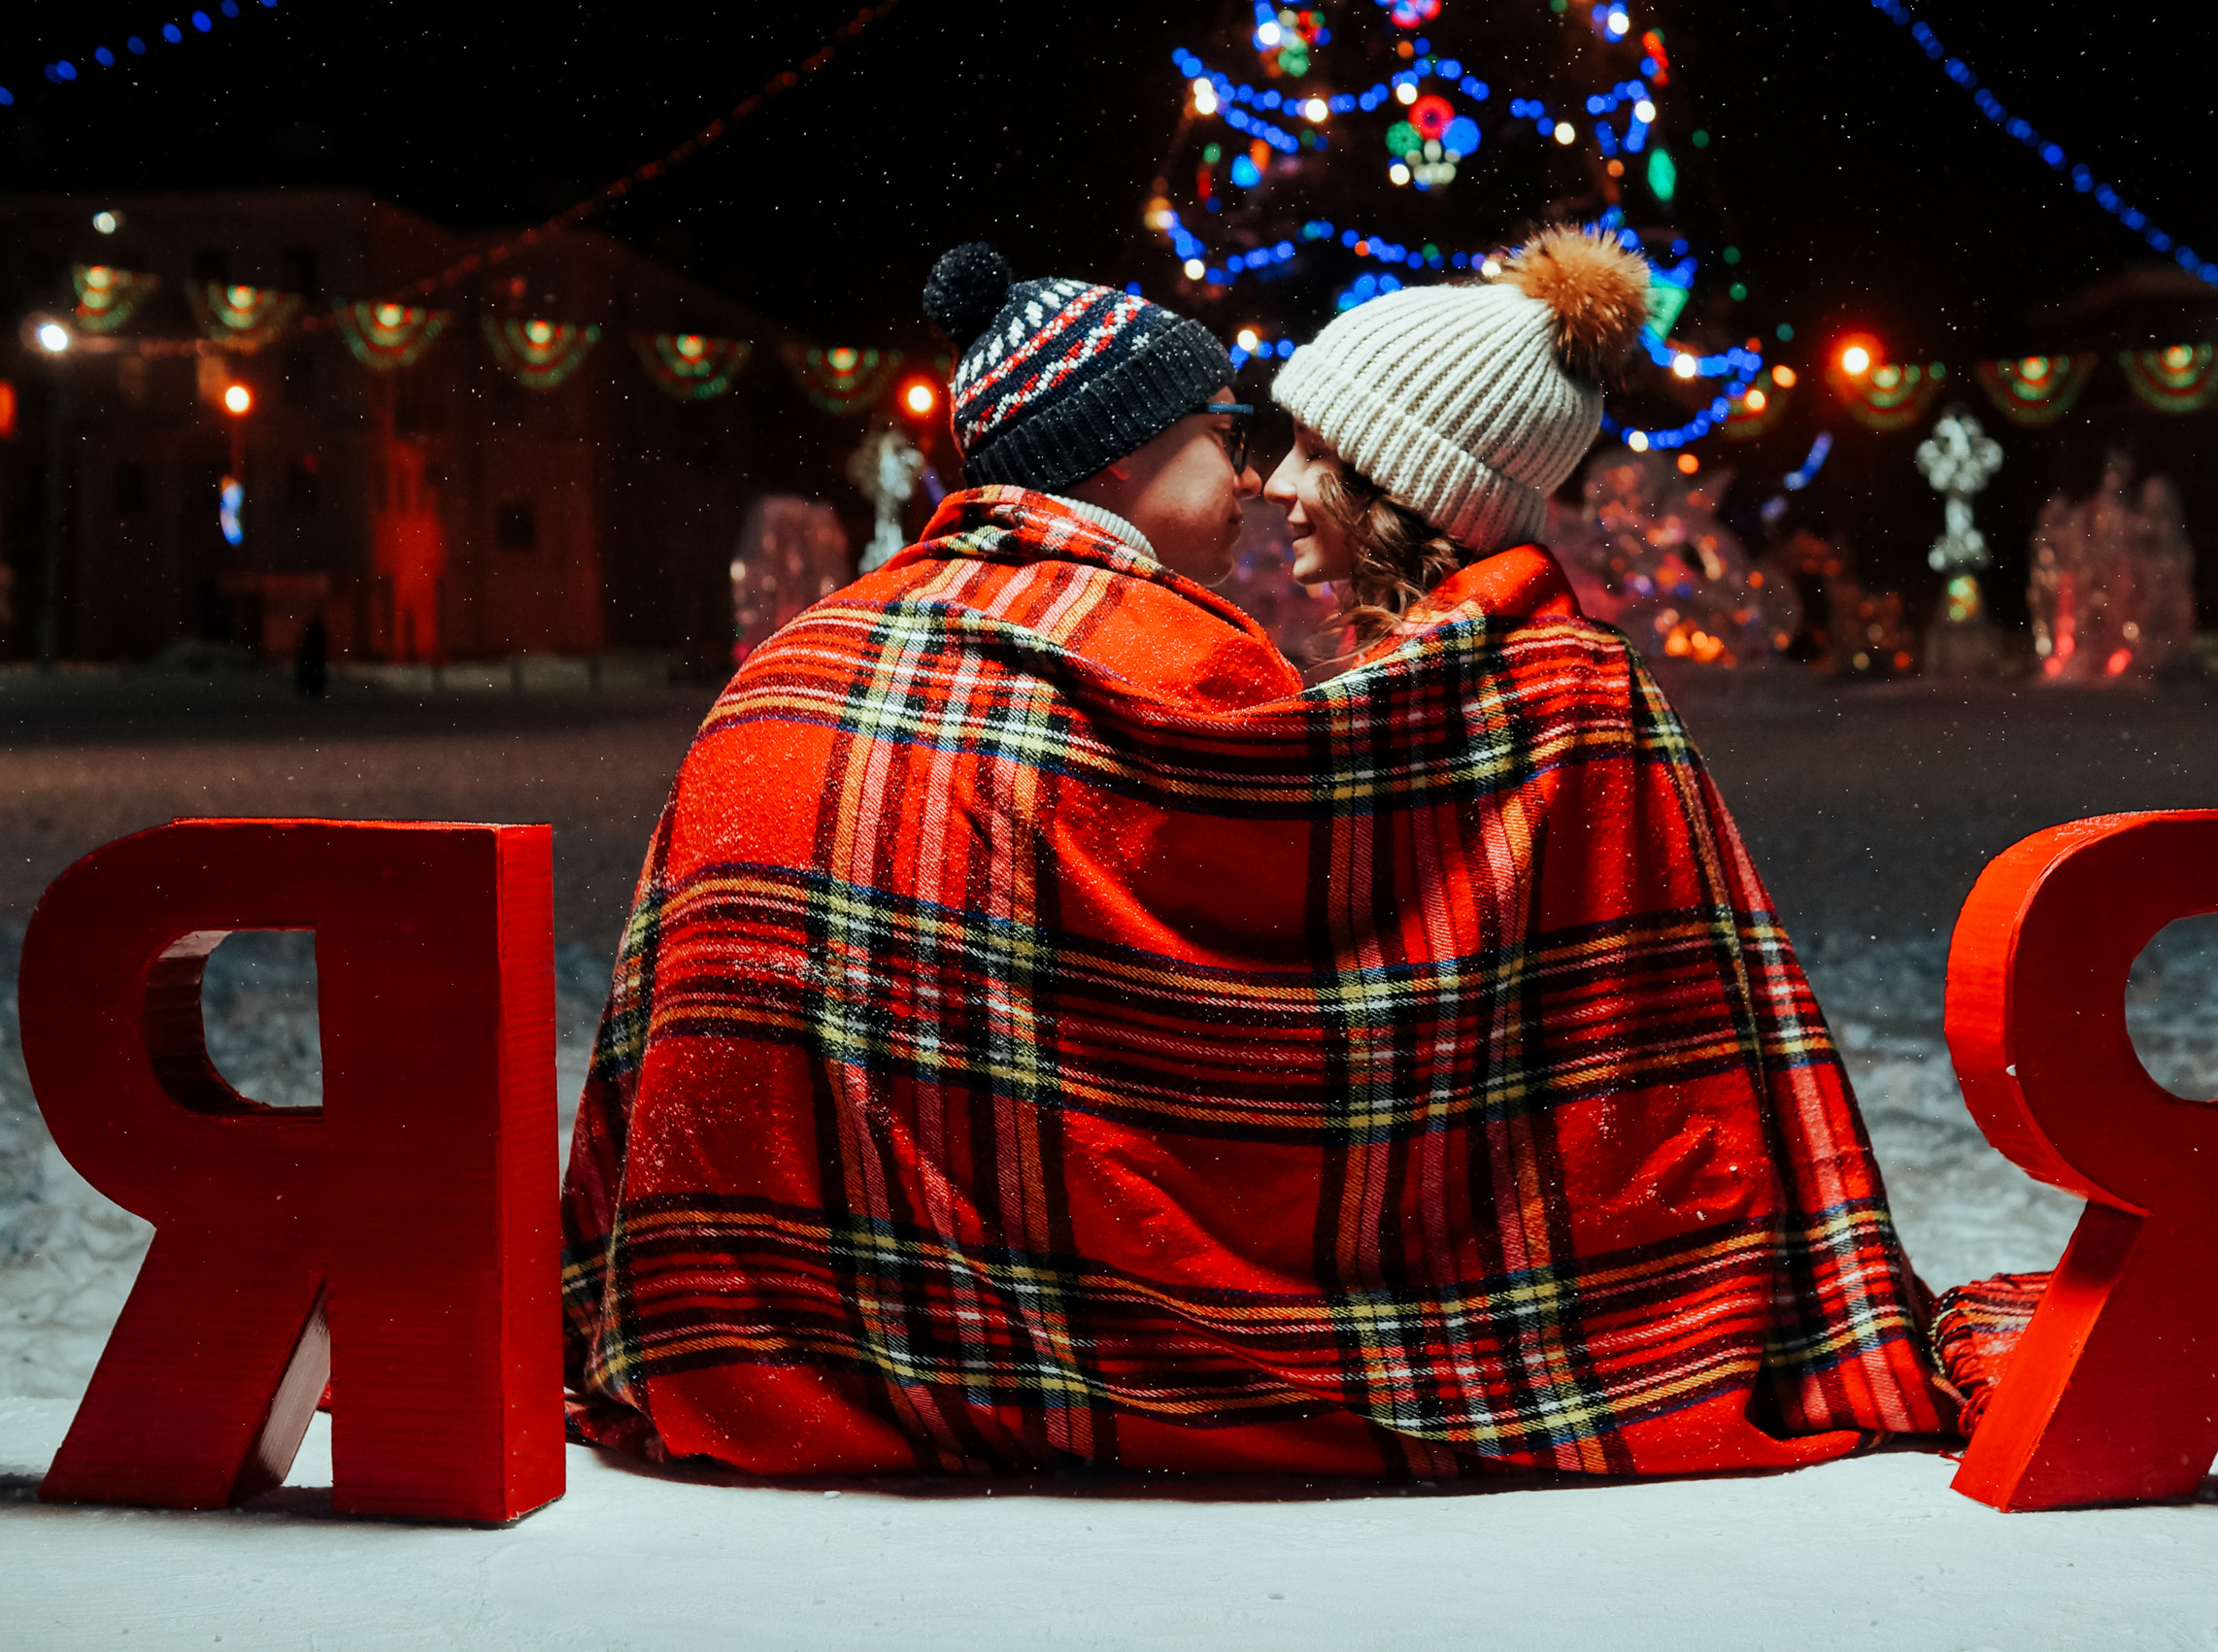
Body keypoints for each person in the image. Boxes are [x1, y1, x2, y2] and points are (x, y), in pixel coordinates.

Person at [561, 233, 1952, 1480]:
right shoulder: (1176, 658)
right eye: (1219, 432)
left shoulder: (796, 662)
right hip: (1033, 1328)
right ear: (1113, 451)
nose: (1253, 475)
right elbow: (1280, 927)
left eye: (1284, 445)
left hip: (734, 1320)